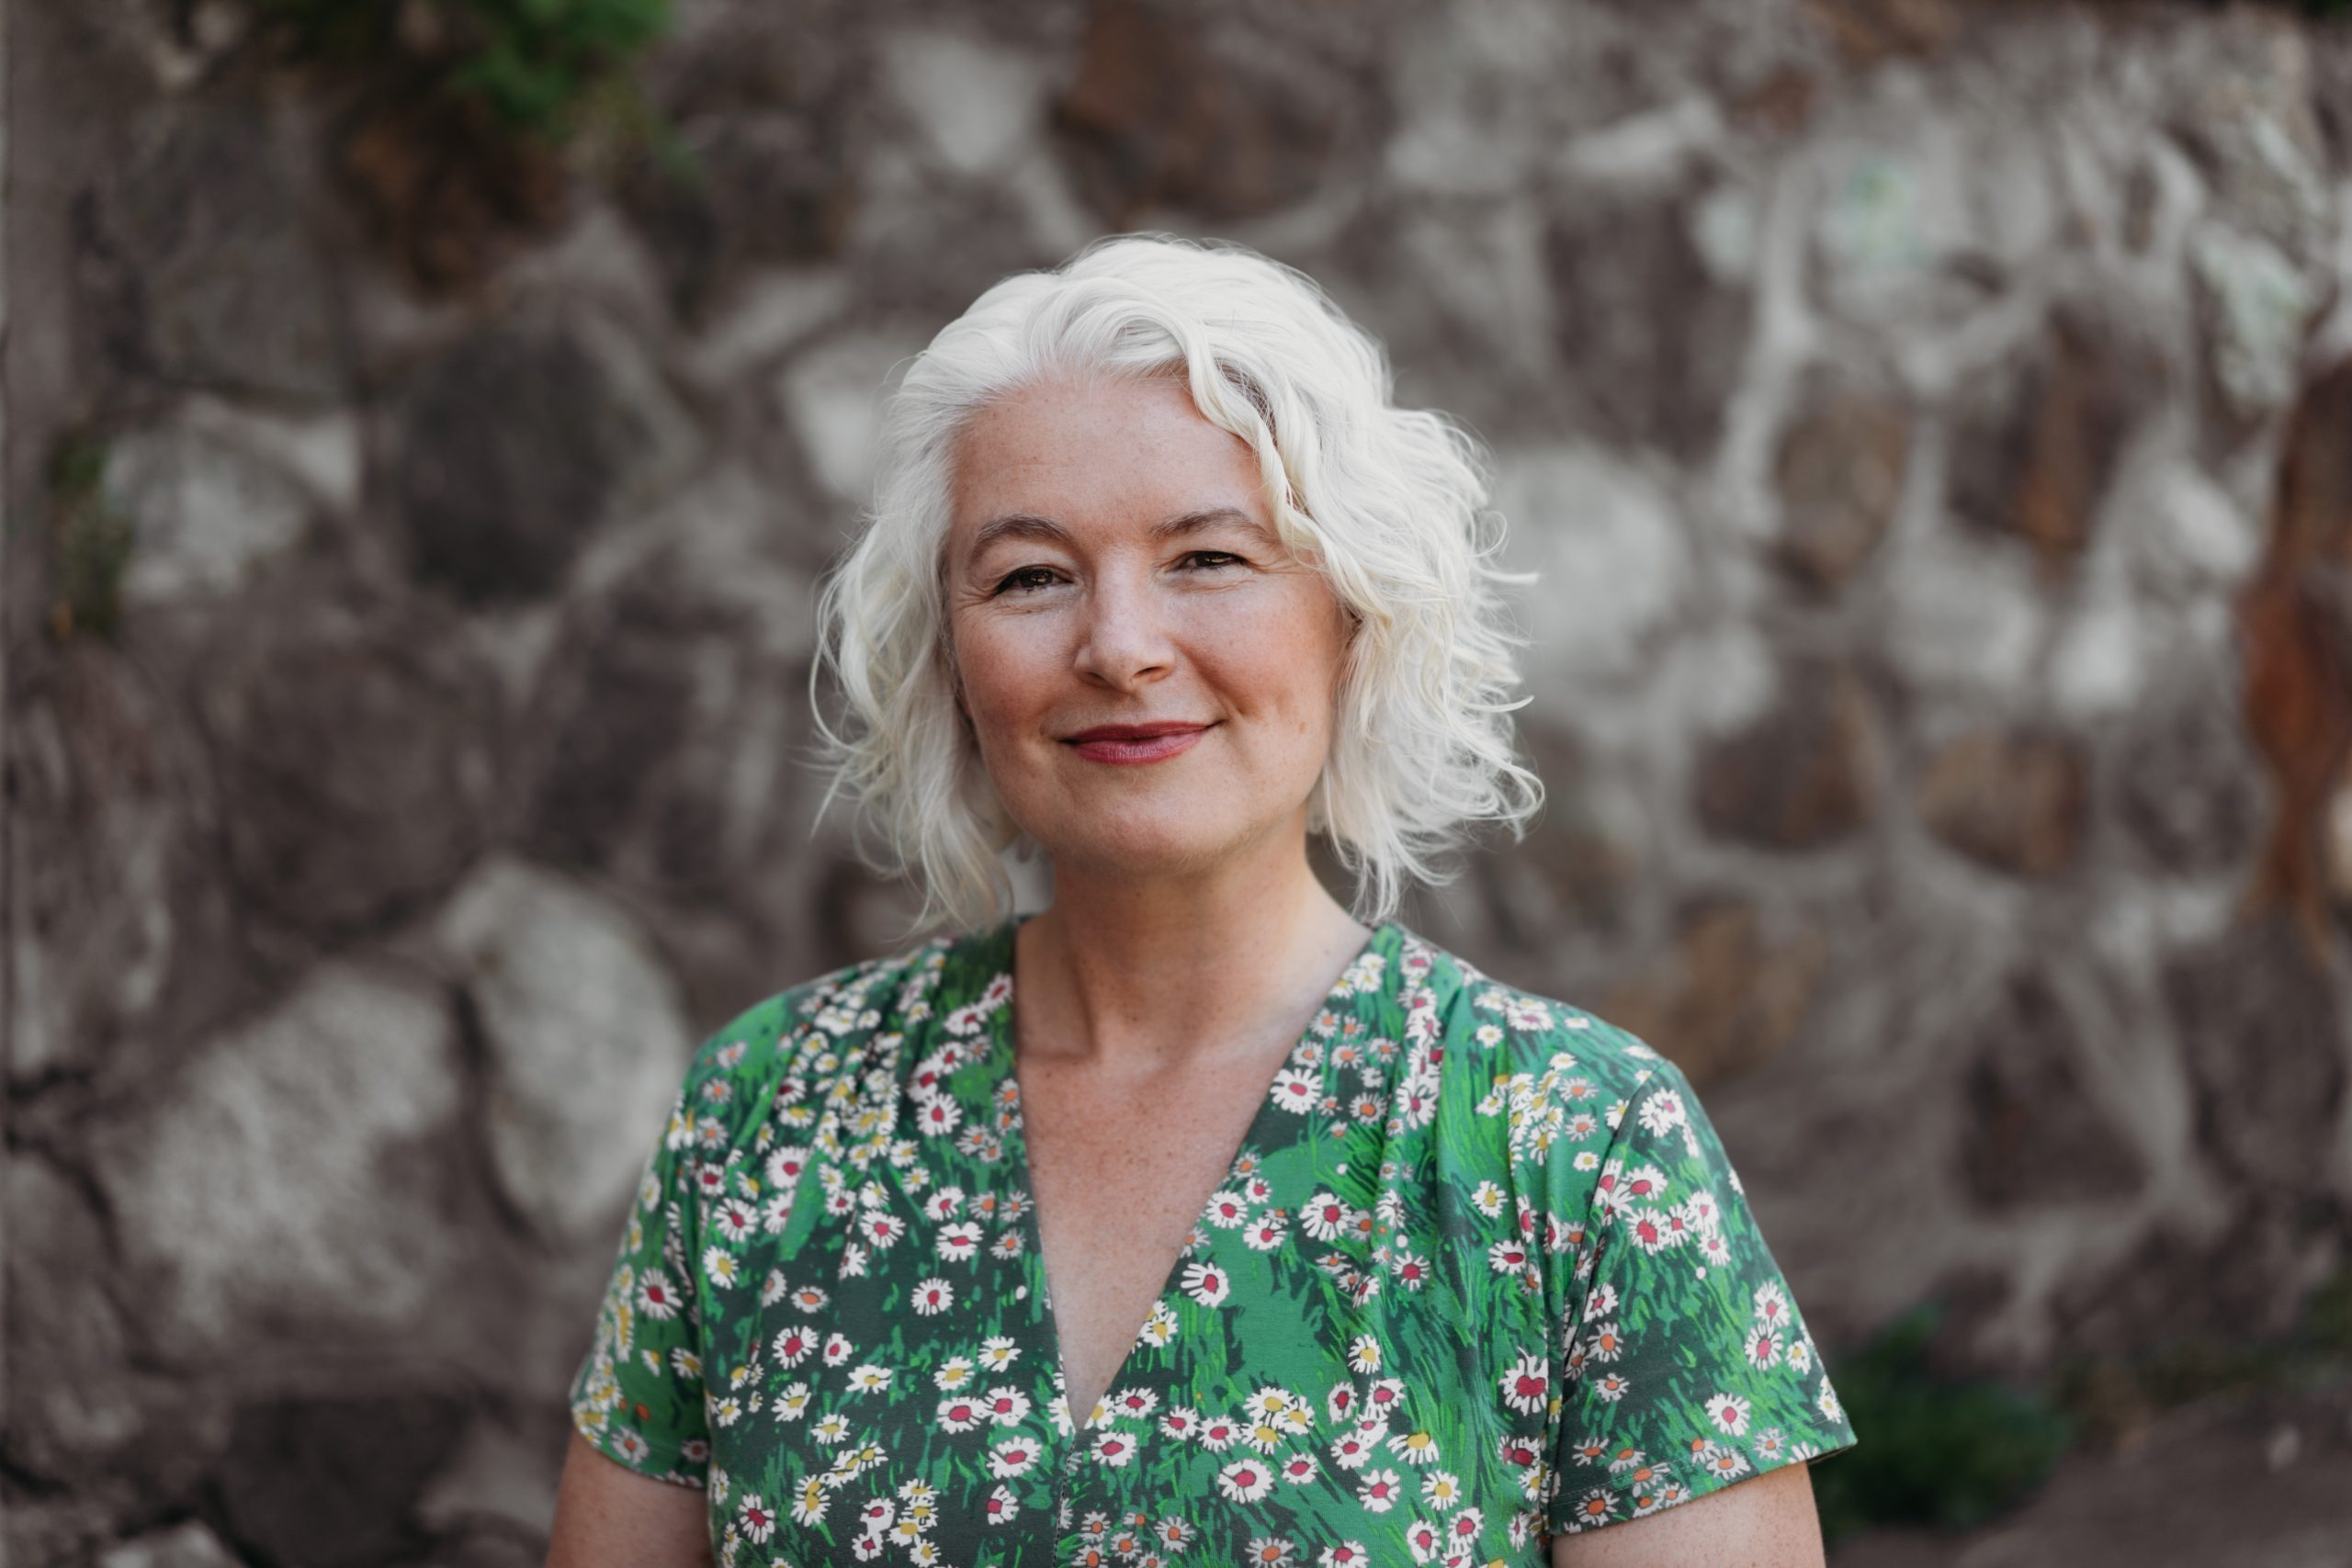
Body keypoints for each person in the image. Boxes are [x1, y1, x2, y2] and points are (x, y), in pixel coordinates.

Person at [545, 233, 1857, 1568]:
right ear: (950, 660)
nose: (1119, 645)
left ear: (1351, 619)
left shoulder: (1575, 1147)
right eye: (1031, 576)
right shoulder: (768, 1114)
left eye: (1210, 559)